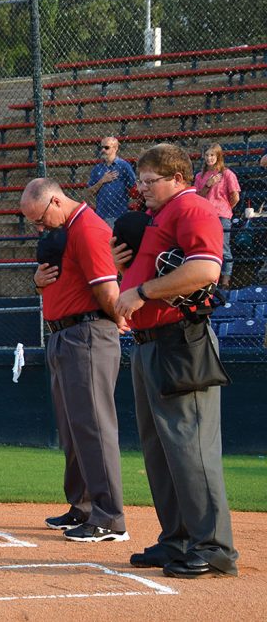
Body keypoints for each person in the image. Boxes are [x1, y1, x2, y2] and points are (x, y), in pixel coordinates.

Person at [114, 143, 239, 579]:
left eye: (151, 181)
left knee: (191, 447)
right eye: (141, 181)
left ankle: (215, 547)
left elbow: (206, 270)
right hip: (151, 341)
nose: (143, 189)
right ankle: (179, 539)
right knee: (161, 449)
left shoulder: (192, 209)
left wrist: (142, 292)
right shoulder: (163, 215)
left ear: (179, 179)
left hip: (180, 340)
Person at [21, 179, 128, 543]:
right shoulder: (69, 230)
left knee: (94, 427)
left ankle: (109, 516)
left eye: (39, 219)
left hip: (87, 334)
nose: (38, 227)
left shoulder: (87, 228)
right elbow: (68, 280)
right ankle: (83, 506)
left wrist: (120, 317)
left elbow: (106, 289)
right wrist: (38, 284)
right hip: (64, 334)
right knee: (74, 428)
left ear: (54, 201)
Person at [194, 144, 240, 289]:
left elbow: (235, 196)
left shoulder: (227, 174)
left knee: (224, 248)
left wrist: (225, 208)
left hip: (221, 215)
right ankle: (210, 279)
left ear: (218, 156)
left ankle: (225, 280)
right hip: (205, 215)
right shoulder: (200, 176)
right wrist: (208, 185)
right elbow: (197, 197)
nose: (209, 158)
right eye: (207, 155)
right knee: (206, 247)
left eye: (212, 155)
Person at [88, 136, 136, 227]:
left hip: (119, 214)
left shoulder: (124, 166)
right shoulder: (97, 168)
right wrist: (102, 181)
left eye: (106, 147)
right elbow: (89, 192)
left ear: (115, 148)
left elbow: (133, 186)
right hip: (101, 215)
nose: (103, 150)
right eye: (101, 147)